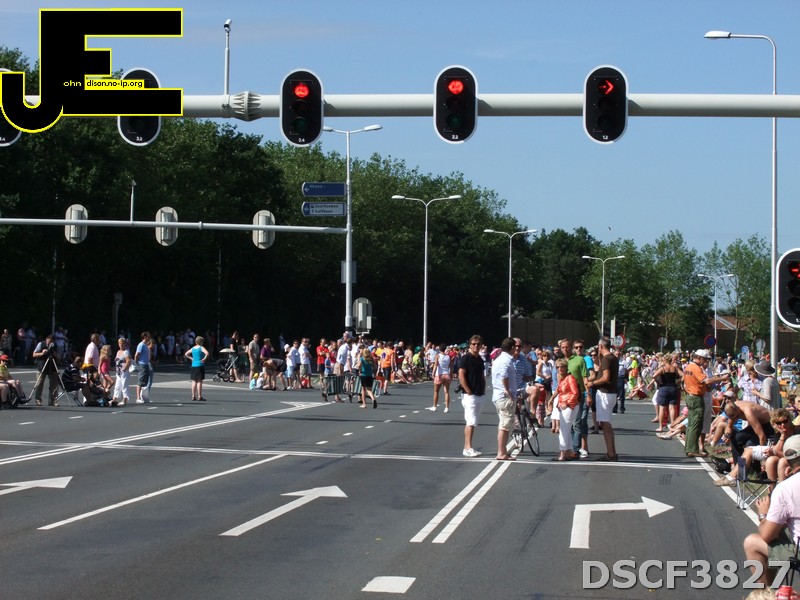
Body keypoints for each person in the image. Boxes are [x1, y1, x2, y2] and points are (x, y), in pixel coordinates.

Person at [743, 435, 800, 588]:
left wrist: (764, 515)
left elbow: (767, 536)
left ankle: (766, 593)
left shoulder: (786, 488)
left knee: (752, 542)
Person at [682, 349, 729, 457]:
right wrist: (722, 378)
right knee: (696, 424)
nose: (706, 362)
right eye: (705, 359)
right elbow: (706, 381)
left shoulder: (688, 367)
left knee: (692, 424)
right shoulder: (696, 368)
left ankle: (690, 447)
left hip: (690, 395)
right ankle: (693, 449)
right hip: (696, 397)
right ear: (699, 358)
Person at [587, 336, 619, 461]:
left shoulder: (606, 358)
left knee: (605, 424)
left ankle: (611, 454)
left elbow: (605, 377)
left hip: (605, 393)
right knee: (606, 424)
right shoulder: (613, 358)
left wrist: (593, 383)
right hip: (611, 393)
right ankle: (611, 452)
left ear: (601, 346)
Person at [560, 338, 590, 459]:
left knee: (577, 423)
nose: (565, 349)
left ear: (570, 348)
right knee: (566, 424)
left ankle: (575, 450)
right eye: (563, 347)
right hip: (564, 397)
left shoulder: (579, 360)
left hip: (578, 395)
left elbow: (585, 377)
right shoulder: (561, 361)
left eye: (567, 347)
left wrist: (588, 394)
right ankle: (568, 449)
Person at [459, 335, 486, 458]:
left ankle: (467, 447)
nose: (476, 346)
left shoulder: (480, 359)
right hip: (470, 395)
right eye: (474, 344)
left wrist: (483, 390)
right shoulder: (465, 358)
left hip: (479, 393)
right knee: (470, 421)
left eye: (478, 344)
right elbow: (461, 375)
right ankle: (468, 448)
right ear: (470, 345)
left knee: (473, 422)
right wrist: (468, 391)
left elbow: (482, 376)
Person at [491, 337, 518, 461]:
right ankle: (501, 452)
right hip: (504, 396)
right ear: (511, 347)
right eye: (515, 347)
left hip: (498, 395)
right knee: (505, 425)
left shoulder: (498, 359)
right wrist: (508, 391)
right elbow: (504, 375)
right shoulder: (506, 360)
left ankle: (502, 451)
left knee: (503, 423)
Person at [647, 353, 683, 432]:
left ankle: (660, 426)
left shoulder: (662, 368)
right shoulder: (674, 368)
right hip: (673, 387)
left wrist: (658, 382)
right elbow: (683, 375)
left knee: (662, 408)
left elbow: (654, 376)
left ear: (665, 360)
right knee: (672, 408)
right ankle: (672, 425)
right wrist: (678, 382)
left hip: (664, 387)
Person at [552, 358, 580, 461]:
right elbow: (559, 390)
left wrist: (567, 403)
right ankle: (568, 451)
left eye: (562, 367)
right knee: (565, 429)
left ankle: (562, 453)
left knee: (563, 430)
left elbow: (575, 393)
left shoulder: (570, 378)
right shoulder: (562, 378)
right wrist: (551, 399)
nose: (559, 369)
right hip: (563, 405)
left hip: (569, 406)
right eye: (558, 367)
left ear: (566, 367)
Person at [32, 334, 59, 406]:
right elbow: (34, 354)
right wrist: (42, 353)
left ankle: (53, 400)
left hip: (52, 366)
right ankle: (38, 399)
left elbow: (59, 357)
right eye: (48, 342)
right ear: (46, 339)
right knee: (39, 383)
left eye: (51, 342)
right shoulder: (41, 344)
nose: (49, 343)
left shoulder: (55, 346)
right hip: (42, 366)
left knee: (54, 384)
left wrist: (55, 354)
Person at [184, 335, 210, 401]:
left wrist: (191, 358)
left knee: (194, 381)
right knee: (199, 381)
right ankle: (199, 396)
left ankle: (193, 396)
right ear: (201, 342)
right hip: (200, 364)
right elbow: (207, 353)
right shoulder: (201, 348)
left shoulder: (193, 348)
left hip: (194, 365)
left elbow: (186, 354)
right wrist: (204, 358)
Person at [429, 343, 453, 412]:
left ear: (439, 349)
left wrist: (433, 373)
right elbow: (451, 366)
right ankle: (447, 407)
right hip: (446, 374)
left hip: (439, 374)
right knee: (447, 392)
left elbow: (436, 365)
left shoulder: (438, 356)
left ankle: (435, 406)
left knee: (436, 391)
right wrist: (451, 374)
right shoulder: (448, 357)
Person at [134, 331, 153, 403]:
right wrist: (136, 363)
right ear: (145, 337)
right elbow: (137, 355)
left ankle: (144, 397)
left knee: (145, 381)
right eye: (148, 336)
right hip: (142, 364)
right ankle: (138, 397)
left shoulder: (146, 345)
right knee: (140, 381)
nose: (149, 338)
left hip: (146, 364)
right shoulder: (141, 345)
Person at [112, 337, 131, 406]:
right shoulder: (118, 352)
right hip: (118, 371)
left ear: (125, 344)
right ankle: (114, 399)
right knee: (117, 385)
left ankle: (125, 399)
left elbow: (128, 361)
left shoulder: (126, 352)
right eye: (120, 343)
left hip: (124, 371)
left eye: (122, 343)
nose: (121, 345)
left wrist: (124, 369)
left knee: (124, 385)